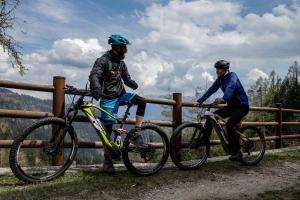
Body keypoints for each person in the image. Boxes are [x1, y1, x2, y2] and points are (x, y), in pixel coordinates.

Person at [89, 34, 147, 173]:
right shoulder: (102, 60)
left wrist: (131, 83)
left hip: (121, 95)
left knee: (141, 101)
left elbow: (126, 78)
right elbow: (94, 75)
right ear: (116, 48)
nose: (126, 50)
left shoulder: (121, 63)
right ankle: (107, 161)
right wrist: (96, 88)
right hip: (108, 98)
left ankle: (136, 133)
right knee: (106, 132)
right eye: (124, 48)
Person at [196, 60, 249, 161]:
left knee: (229, 125)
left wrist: (223, 99)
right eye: (216, 69)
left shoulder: (232, 76)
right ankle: (205, 139)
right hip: (231, 106)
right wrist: (200, 100)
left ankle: (237, 152)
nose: (217, 71)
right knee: (212, 116)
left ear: (225, 70)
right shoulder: (220, 79)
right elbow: (211, 89)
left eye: (219, 69)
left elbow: (231, 86)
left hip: (242, 106)